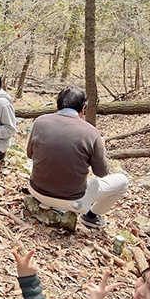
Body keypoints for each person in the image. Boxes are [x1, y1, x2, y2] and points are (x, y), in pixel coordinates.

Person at [26, 85, 128, 229]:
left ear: (58, 104)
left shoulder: (40, 121)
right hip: (72, 200)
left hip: (36, 190)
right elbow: (102, 172)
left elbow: (30, 154)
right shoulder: (91, 133)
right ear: (84, 108)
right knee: (122, 181)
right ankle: (91, 217)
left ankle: (48, 203)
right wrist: (102, 148)